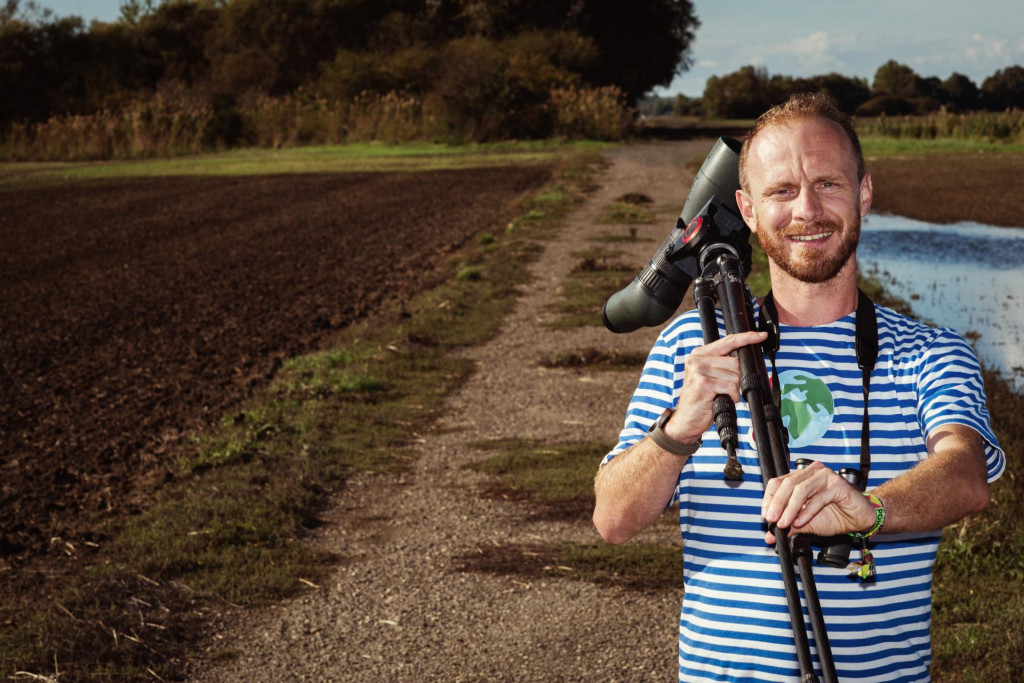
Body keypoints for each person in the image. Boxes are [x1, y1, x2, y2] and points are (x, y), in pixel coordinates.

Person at [592, 93, 1004, 682]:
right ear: (747, 209)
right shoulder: (692, 347)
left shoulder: (931, 354)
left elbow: (966, 475)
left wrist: (872, 511)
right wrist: (680, 427)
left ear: (864, 192)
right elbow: (613, 519)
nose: (807, 210)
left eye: (828, 184)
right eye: (781, 191)